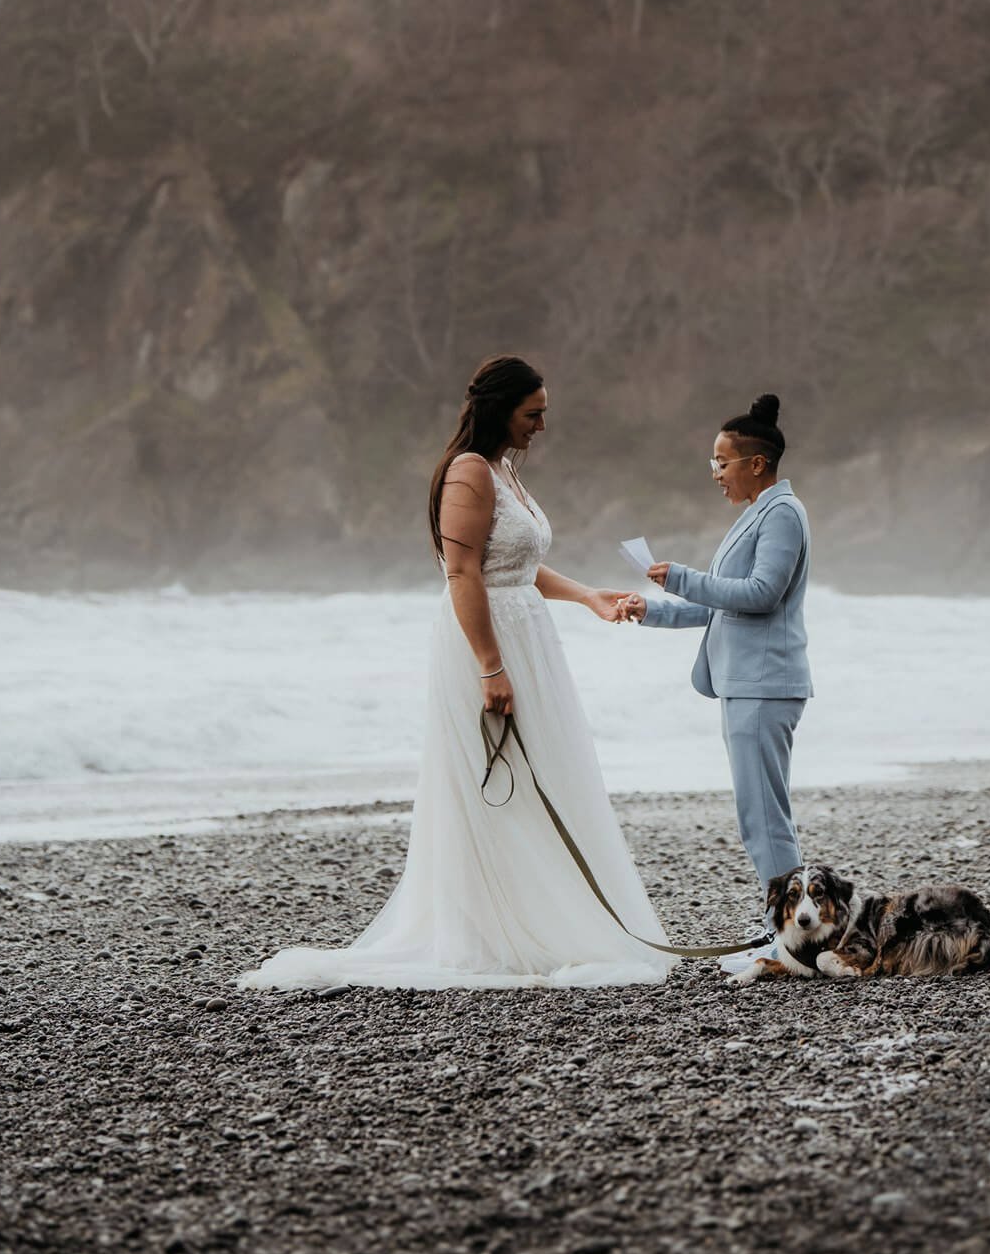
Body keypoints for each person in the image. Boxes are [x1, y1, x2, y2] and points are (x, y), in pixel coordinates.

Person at [236, 356, 675, 993]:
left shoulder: (504, 471)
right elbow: (463, 574)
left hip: (526, 636)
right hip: (486, 642)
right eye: (534, 413)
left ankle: (540, 916)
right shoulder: (469, 473)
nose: (543, 425)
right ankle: (490, 931)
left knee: (542, 776)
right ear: (501, 410)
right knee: (494, 784)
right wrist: (489, 666)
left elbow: (516, 566)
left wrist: (588, 597)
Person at [618, 394, 811, 949]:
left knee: (764, 817)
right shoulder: (757, 515)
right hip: (745, 683)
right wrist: (650, 608)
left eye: (720, 463)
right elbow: (721, 605)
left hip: (765, 683)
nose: (715, 474)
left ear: (756, 463)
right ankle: (788, 926)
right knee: (760, 813)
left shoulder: (782, 514)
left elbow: (759, 594)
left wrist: (679, 576)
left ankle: (791, 934)